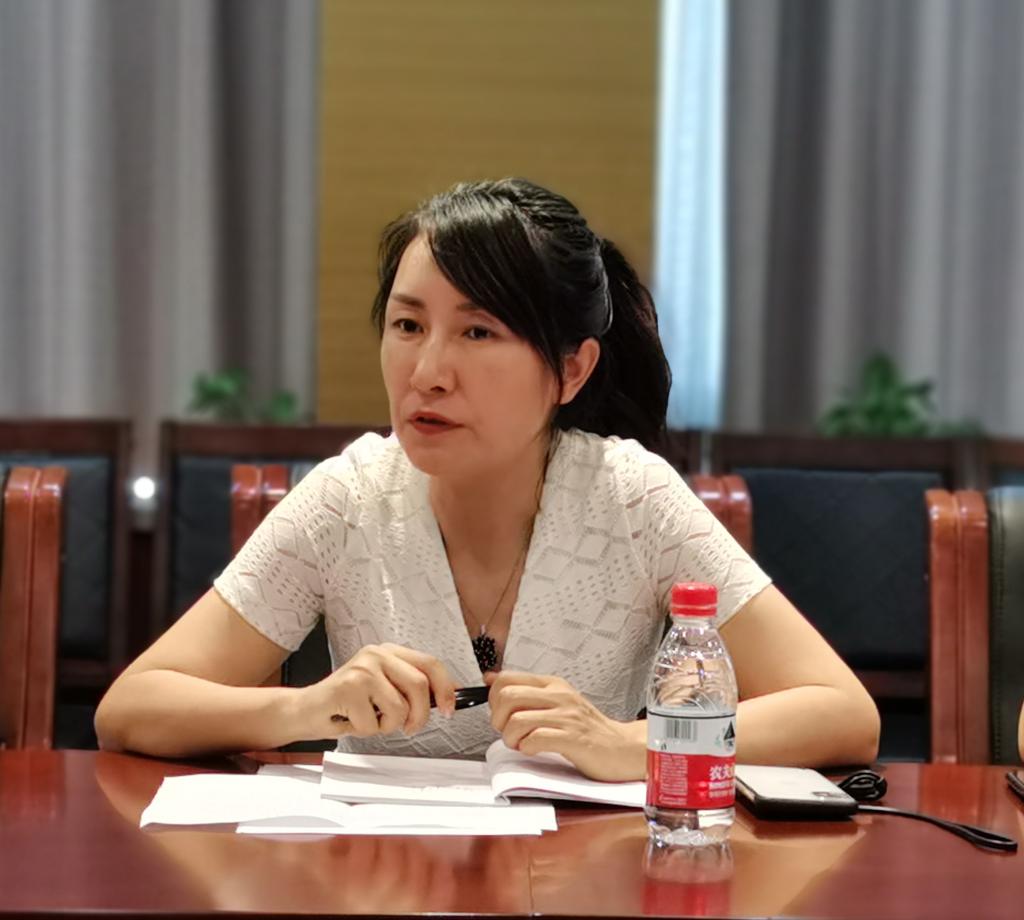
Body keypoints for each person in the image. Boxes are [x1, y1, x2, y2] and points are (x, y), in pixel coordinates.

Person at [95, 178, 879, 778]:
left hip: (583, 888)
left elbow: (841, 713)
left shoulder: (632, 497)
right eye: (408, 325)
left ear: (571, 371)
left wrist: (631, 744)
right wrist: (306, 708)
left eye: (477, 332)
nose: (428, 372)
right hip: (381, 887)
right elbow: (130, 707)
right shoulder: (348, 497)